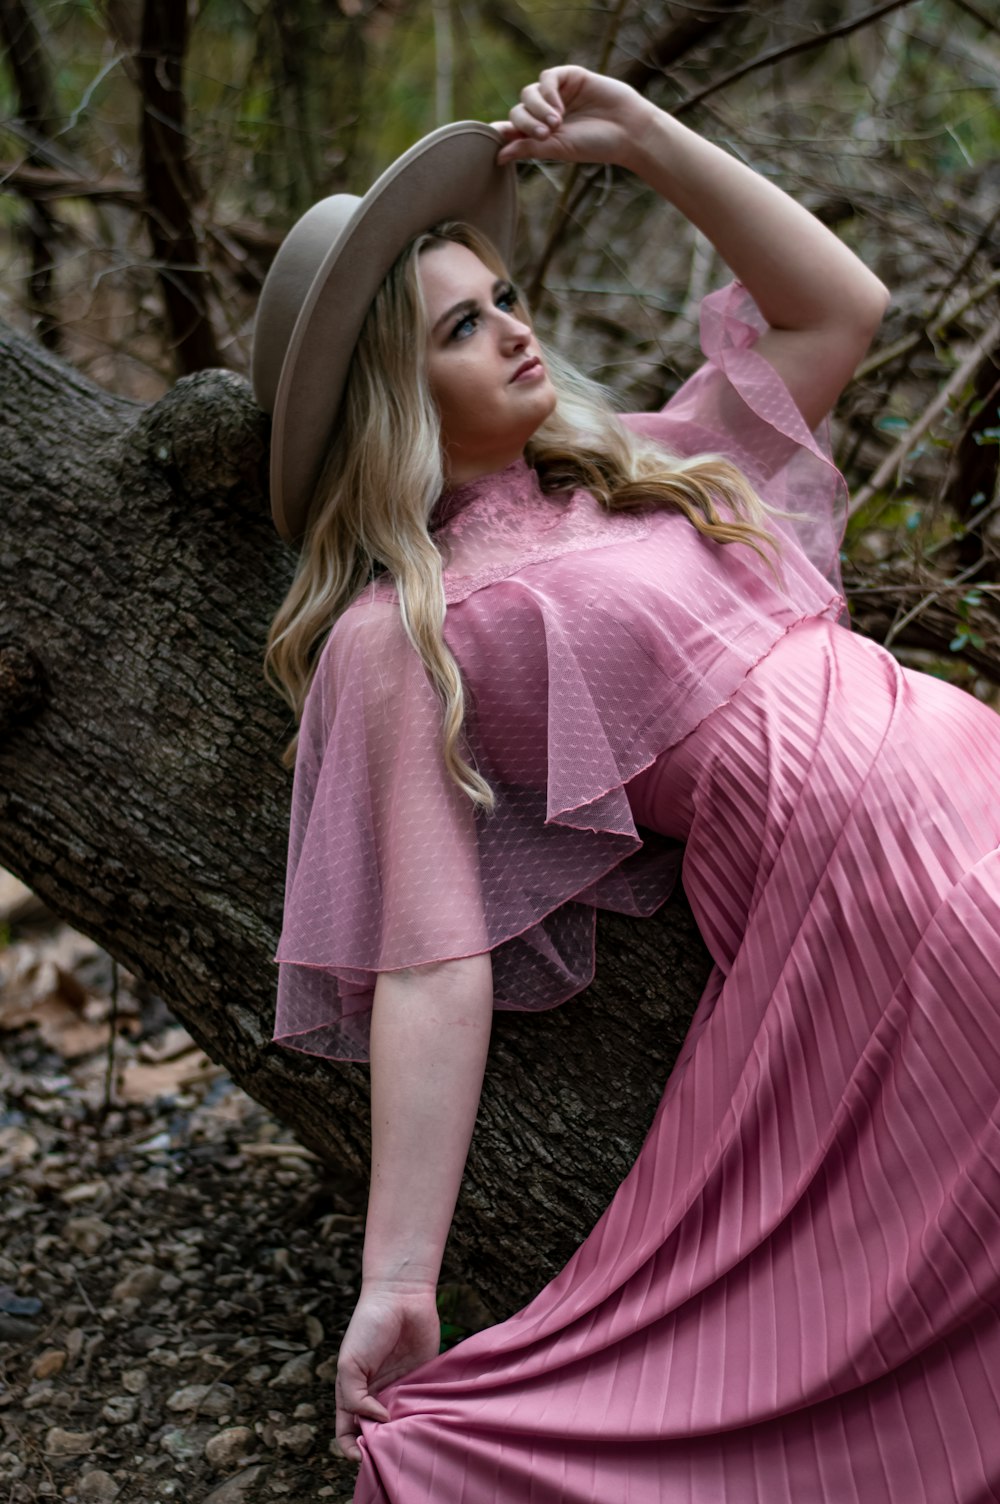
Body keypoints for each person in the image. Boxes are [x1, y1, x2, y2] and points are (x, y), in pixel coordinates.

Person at [253, 66, 1000, 1504]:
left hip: (968, 765)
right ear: (388, 398)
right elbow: (429, 961)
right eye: (459, 328)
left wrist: (649, 141)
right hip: (878, 889)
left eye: (508, 297)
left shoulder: (646, 462)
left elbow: (841, 309)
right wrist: (395, 1280)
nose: (516, 332)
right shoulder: (396, 634)